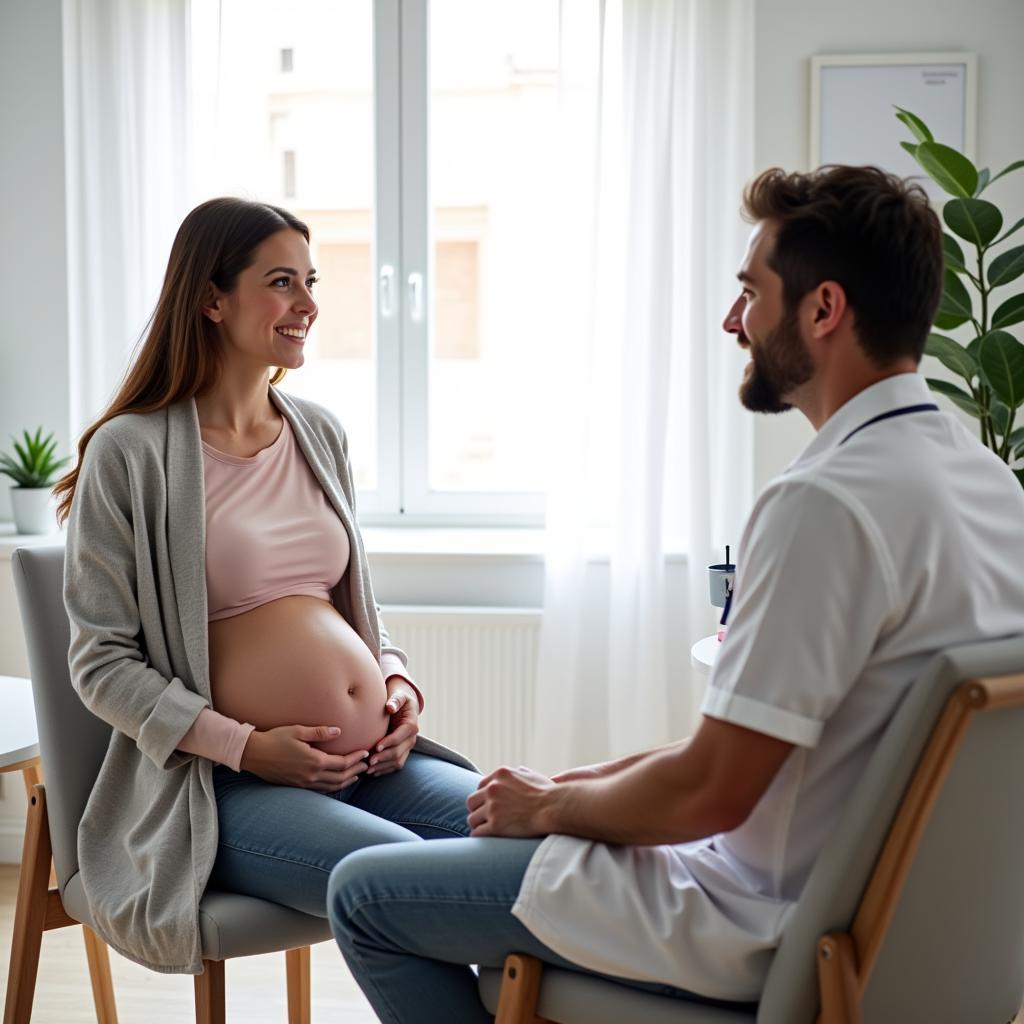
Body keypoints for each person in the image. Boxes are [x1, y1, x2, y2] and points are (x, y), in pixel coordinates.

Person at [325, 164, 1024, 1022]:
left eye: (749, 292)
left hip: (759, 920)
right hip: (911, 924)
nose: (735, 321)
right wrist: (573, 788)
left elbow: (713, 792)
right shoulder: (987, 483)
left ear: (824, 309)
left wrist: (554, 804)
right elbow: (758, 749)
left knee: (363, 894)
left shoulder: (825, 504)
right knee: (471, 850)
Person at [55, 197, 479, 975]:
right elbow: (102, 664)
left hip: (373, 765)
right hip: (221, 791)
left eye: (311, 281)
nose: (308, 305)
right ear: (212, 299)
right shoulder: (132, 452)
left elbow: (355, 611)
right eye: (282, 282)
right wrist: (247, 749)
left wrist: (394, 681)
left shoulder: (319, 433)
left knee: (522, 836)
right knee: (411, 883)